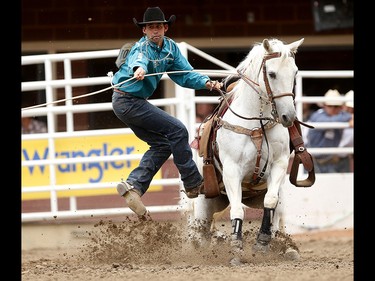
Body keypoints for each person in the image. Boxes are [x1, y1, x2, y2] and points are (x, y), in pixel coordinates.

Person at [111, 7, 222, 220]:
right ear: (144, 30)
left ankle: (135, 185)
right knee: (178, 129)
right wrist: (138, 70)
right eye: (150, 27)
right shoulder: (141, 48)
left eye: (158, 27)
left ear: (165, 27)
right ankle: (192, 182)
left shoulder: (170, 48)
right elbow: (139, 60)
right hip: (128, 100)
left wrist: (207, 83)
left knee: (163, 144)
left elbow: (185, 75)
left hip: (128, 103)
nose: (155, 31)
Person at [306, 89, 352, 173]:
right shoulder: (317, 115)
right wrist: (349, 119)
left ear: (341, 107)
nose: (333, 109)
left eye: (336, 106)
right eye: (330, 106)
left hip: (331, 161)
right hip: (314, 161)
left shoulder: (342, 116)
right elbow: (326, 121)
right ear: (324, 106)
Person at [338, 90, 354, 172]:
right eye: (349, 107)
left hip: (345, 157)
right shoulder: (337, 116)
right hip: (330, 157)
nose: (350, 110)